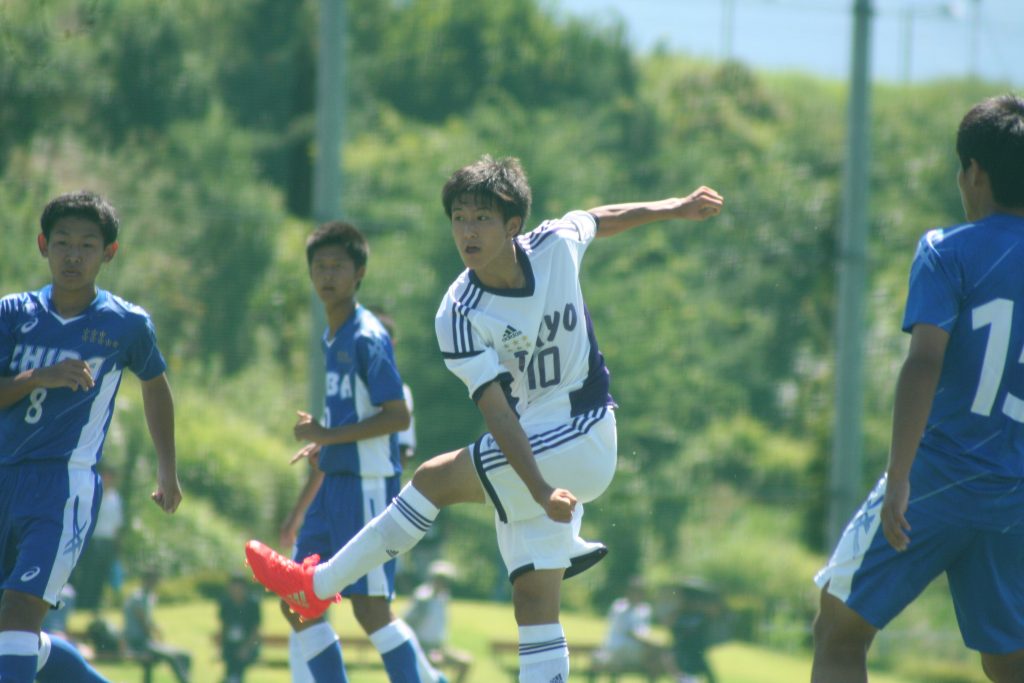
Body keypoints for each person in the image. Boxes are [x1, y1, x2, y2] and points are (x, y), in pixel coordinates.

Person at [247, 155, 724, 682]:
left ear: (513, 225)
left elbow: (601, 216)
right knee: (534, 602)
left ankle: (314, 587)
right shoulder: (458, 311)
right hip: (537, 453)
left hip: (583, 434)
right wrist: (539, 489)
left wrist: (675, 207)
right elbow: (496, 411)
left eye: (480, 219)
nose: (466, 231)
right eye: (457, 218)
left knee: (431, 478)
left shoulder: (554, 245)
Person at [811, 94, 1024, 683]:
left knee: (838, 631)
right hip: (1014, 493)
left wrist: (899, 476)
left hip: (938, 476)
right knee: (1009, 663)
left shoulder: (946, 251)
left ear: (974, 172)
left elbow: (925, 363)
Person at [0, 190, 183, 683]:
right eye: (62, 243)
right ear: (43, 245)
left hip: (63, 486)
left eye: (86, 245)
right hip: (3, 476)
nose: (73, 255)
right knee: (8, 628)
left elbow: (155, 384)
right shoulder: (11, 314)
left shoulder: (126, 324)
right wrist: (40, 376)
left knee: (19, 610)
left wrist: (168, 469)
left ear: (109, 253)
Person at [263, 221, 444, 683]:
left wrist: (325, 435)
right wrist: (325, 444)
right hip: (334, 487)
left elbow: (397, 416)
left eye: (337, 266)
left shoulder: (367, 335)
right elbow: (347, 421)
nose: (327, 275)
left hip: (366, 488)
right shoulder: (334, 336)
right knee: (298, 602)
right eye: (319, 266)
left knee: (370, 610)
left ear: (359, 272)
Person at [403, 560, 472, 683]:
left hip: (439, 647)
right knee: (436, 661)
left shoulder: (443, 597)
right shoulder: (423, 597)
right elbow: (408, 622)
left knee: (465, 662)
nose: (444, 584)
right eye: (441, 580)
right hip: (422, 647)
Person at [72, 465, 125, 615]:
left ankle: (95, 604)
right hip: (93, 539)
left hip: (107, 541)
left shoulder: (116, 498)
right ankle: (83, 603)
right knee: (89, 573)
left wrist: (117, 546)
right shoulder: (94, 493)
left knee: (101, 573)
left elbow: (117, 525)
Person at [123, 569, 191, 683]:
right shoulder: (137, 597)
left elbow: (148, 621)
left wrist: (157, 632)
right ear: (145, 580)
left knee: (186, 656)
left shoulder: (149, 597)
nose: (155, 584)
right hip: (138, 642)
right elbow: (144, 622)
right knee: (172, 657)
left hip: (147, 642)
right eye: (152, 580)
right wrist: (155, 637)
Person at [591, 576, 665, 680]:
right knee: (655, 652)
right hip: (618, 648)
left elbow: (645, 632)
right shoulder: (620, 607)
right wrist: (652, 644)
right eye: (635, 591)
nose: (638, 594)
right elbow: (630, 633)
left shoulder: (645, 609)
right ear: (628, 591)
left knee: (656, 658)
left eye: (641, 591)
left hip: (635, 649)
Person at [217, 572, 262, 683]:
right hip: (230, 644)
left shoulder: (253, 605)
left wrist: (246, 648)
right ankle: (232, 679)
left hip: (248, 644)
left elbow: (255, 630)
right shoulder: (226, 604)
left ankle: (233, 679)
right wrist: (220, 646)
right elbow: (224, 627)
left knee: (239, 659)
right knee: (231, 657)